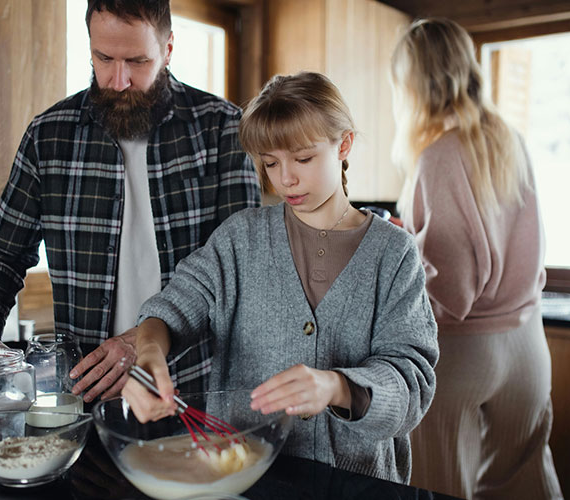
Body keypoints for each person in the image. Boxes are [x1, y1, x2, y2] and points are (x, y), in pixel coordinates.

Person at [120, 71, 439, 483]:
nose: (284, 178)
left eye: (302, 158)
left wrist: (335, 387)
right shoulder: (240, 239)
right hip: (246, 480)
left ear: (343, 144)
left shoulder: (394, 254)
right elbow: (170, 310)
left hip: (357, 485)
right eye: (270, 162)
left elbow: (412, 381)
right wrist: (148, 357)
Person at [0, 0, 261, 402]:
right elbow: (2, 254)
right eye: (103, 58)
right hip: (86, 397)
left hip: (195, 392)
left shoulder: (224, 130)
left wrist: (143, 340)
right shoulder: (49, 136)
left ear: (169, 49)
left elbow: (241, 271)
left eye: (138, 61)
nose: (118, 79)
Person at [389, 18, 563, 499]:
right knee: (527, 481)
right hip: (528, 345)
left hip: (464, 355)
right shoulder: (509, 140)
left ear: (415, 83)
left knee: (440, 486)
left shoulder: (437, 156)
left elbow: (454, 291)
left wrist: (405, 251)